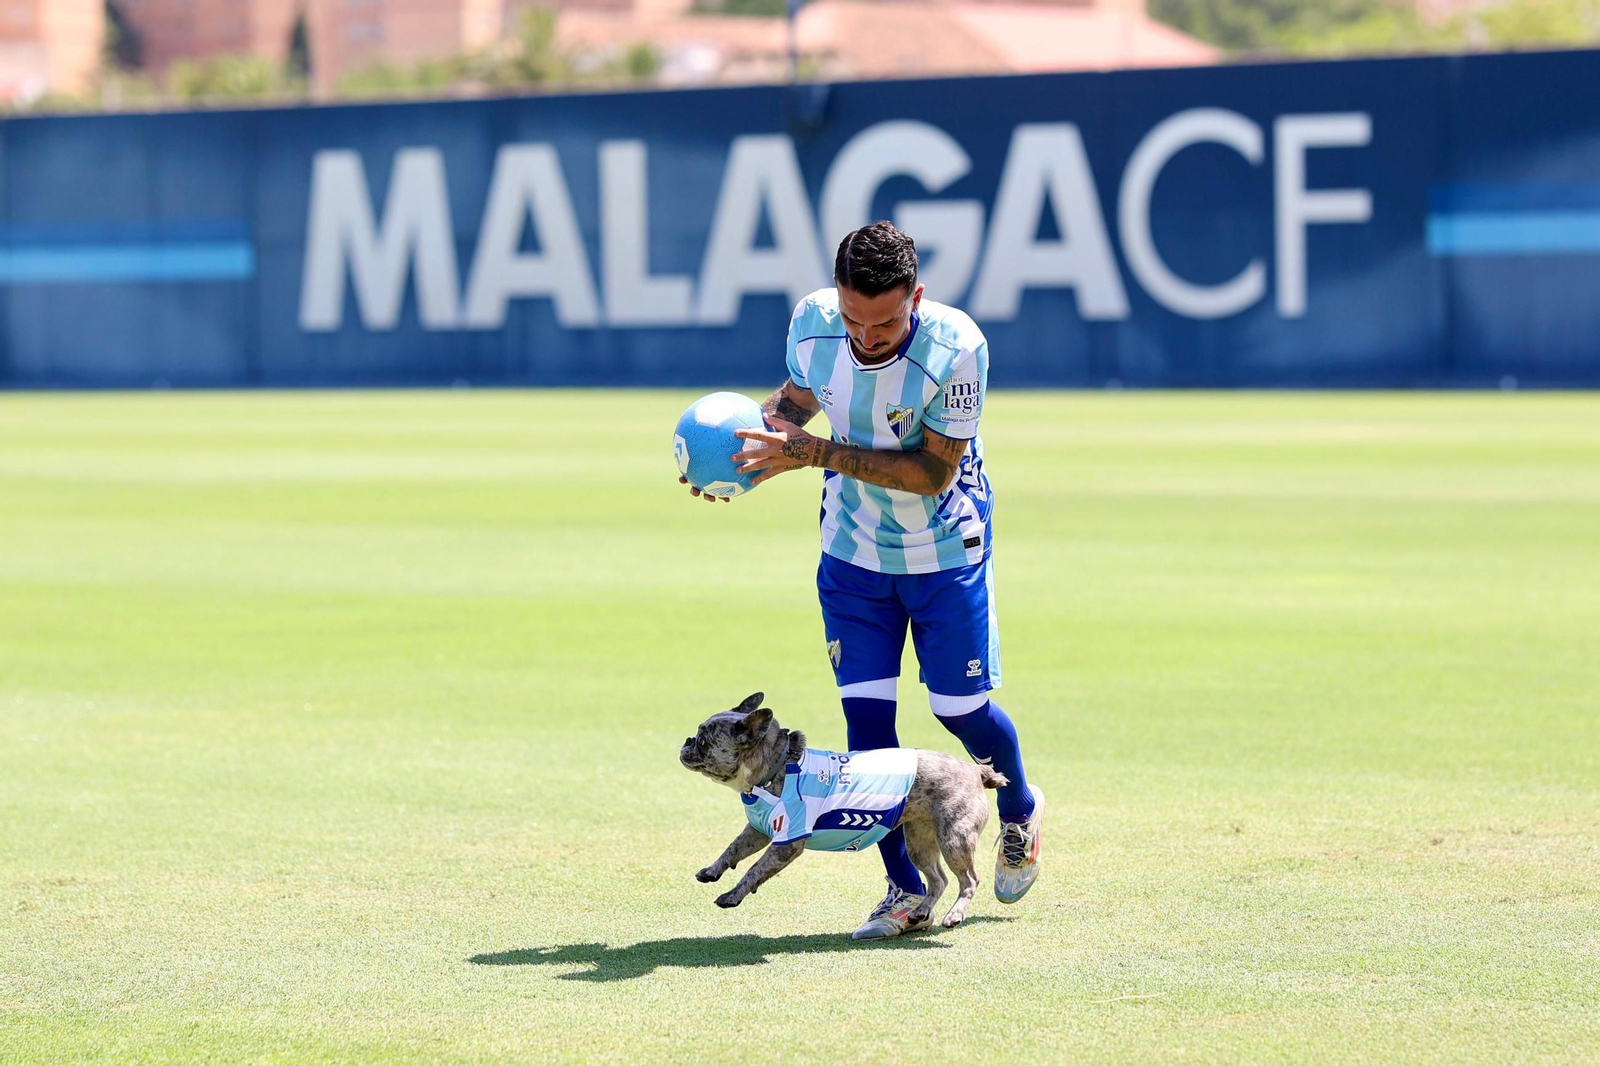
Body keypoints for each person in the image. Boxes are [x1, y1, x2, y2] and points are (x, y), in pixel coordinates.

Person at [682, 221, 1044, 939]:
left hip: (945, 547)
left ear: (917, 297)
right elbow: (794, 403)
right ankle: (905, 892)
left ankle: (1021, 812)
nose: (867, 336)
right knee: (869, 738)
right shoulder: (813, 324)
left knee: (961, 710)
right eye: (854, 319)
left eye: (884, 323)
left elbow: (931, 471)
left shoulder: (957, 348)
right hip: (853, 556)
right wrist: (730, 458)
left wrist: (815, 452)